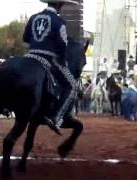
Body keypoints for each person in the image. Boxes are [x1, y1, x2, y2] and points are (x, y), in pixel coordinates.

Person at [23, 0, 79, 134]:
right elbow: (62, 47)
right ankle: (56, 117)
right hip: (48, 59)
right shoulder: (59, 22)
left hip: (30, 56)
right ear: (60, 5)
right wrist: (63, 61)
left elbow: (25, 38)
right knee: (72, 85)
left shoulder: (33, 17)